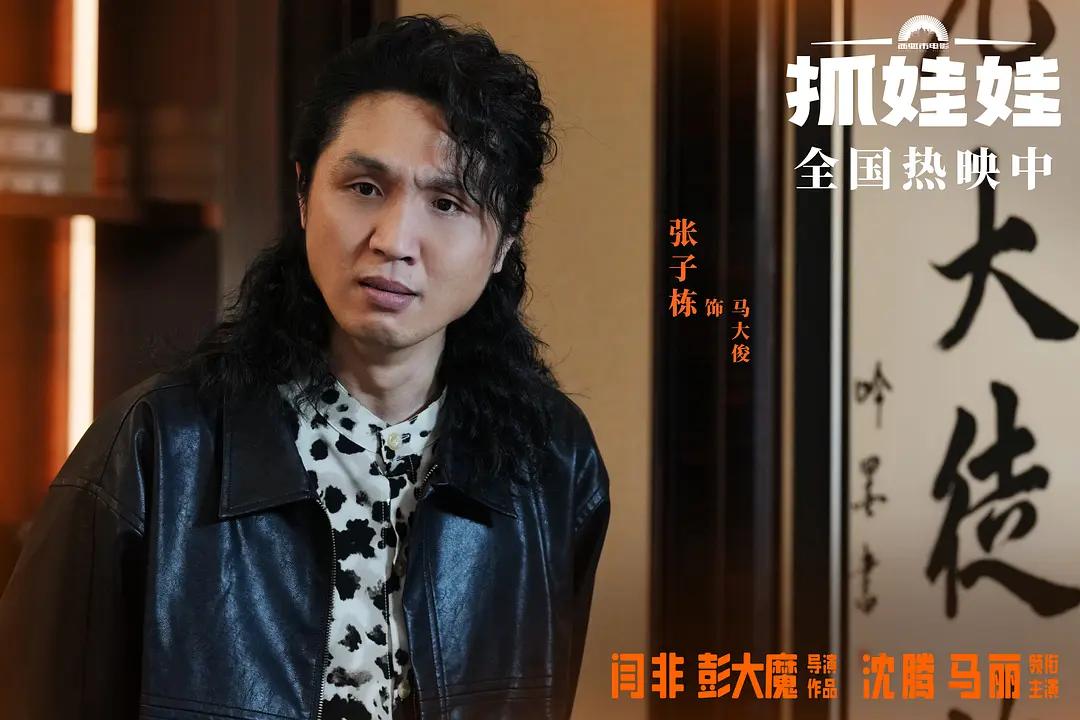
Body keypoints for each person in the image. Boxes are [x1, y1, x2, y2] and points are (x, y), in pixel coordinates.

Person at [0, 14, 611, 720]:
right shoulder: (155, 451)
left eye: (448, 203)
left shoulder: (552, 462)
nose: (394, 241)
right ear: (303, 193)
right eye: (364, 188)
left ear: (504, 243)